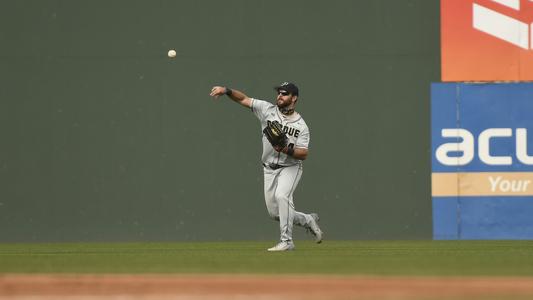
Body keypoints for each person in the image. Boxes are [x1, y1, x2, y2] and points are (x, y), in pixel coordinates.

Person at [209, 82, 323, 251]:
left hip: (290, 167)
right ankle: (308, 220)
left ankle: (287, 242)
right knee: (275, 213)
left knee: (282, 196)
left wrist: (284, 149)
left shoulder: (301, 125)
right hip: (269, 168)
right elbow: (244, 99)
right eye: (279, 93)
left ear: (294, 98)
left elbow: (303, 154)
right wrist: (226, 91)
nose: (279, 96)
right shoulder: (267, 110)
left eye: (284, 94)